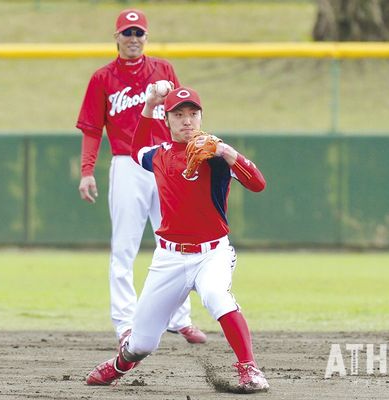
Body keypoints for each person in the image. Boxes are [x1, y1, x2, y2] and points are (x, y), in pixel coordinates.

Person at [85, 86, 270, 393]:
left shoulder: (217, 155)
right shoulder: (158, 155)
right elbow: (136, 150)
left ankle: (249, 369)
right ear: (167, 119)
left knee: (216, 296)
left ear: (201, 117)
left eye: (193, 114)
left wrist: (227, 152)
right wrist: (148, 106)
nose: (187, 121)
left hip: (212, 253)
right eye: (179, 114)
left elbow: (259, 184)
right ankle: (119, 364)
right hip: (169, 258)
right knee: (141, 343)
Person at [76, 9, 206, 345]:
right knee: (124, 247)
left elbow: (183, 116)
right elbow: (92, 129)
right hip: (126, 164)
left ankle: (179, 319)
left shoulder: (163, 70)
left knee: (176, 242)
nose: (133, 39)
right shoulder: (102, 78)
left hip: (165, 160)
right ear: (116, 37)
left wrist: (188, 156)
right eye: (127, 33)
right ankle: (125, 324)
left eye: (139, 33)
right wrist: (87, 171)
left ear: (146, 37)